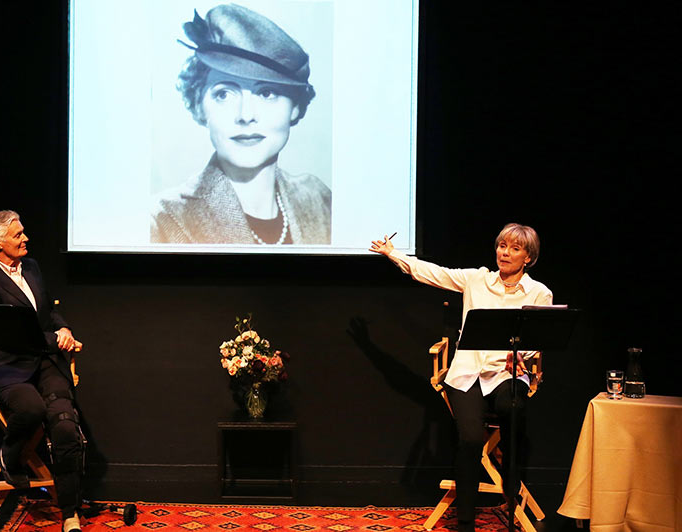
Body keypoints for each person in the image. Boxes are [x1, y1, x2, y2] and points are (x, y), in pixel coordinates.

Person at [370, 223, 553, 532]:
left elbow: (540, 339)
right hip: (468, 372)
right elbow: (434, 273)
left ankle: (511, 477)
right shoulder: (476, 279)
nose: (504, 253)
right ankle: (465, 521)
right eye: (502, 246)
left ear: (528, 258)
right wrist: (393, 254)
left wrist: (522, 355)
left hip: (508, 373)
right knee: (469, 439)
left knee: (512, 407)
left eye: (514, 249)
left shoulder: (539, 292)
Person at [150, 4, 331, 245]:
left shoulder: (319, 200)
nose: (246, 115)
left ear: (295, 106)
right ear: (199, 105)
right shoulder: (163, 220)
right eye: (224, 94)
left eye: (267, 93)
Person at [0, 210, 85, 532]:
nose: (25, 239)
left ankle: (70, 512)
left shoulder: (31, 267)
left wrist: (64, 330)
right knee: (31, 409)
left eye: (23, 233)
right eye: (17, 235)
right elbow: (9, 337)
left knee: (64, 426)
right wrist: (53, 340)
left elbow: (47, 313)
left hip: (45, 361)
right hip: (8, 366)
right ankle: (10, 454)